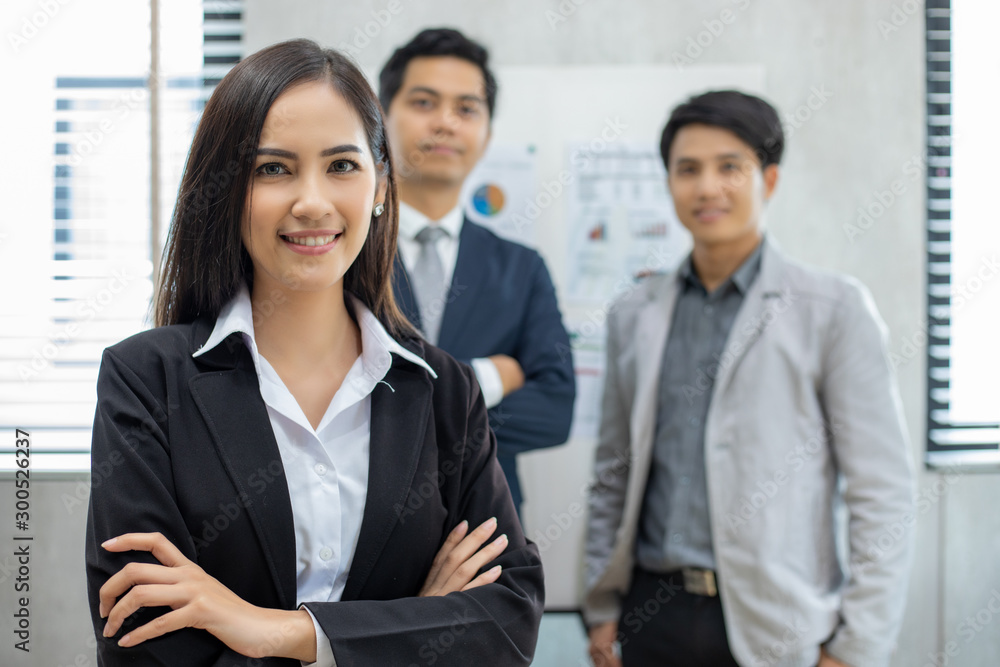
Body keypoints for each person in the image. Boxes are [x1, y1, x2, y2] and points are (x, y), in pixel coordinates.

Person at [85, 39, 543, 666]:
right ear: (227, 190)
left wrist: (272, 630)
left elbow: (507, 624)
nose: (312, 201)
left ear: (381, 184)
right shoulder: (145, 380)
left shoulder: (443, 390)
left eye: (342, 166)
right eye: (272, 168)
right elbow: (143, 645)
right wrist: (410, 629)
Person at [584, 90, 915, 667]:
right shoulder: (634, 313)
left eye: (729, 167)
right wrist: (602, 605)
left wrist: (857, 647)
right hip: (650, 613)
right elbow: (613, 470)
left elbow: (883, 493)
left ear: (770, 179)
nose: (707, 187)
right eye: (688, 169)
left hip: (778, 625)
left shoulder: (832, 309)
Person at [379, 28, 576, 518]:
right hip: (365, 532)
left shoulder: (520, 268)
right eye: (424, 102)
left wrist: (403, 413)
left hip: (488, 531)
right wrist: (488, 376)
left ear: (487, 132)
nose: (446, 122)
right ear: (382, 118)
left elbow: (555, 411)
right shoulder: (342, 253)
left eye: (467, 109)